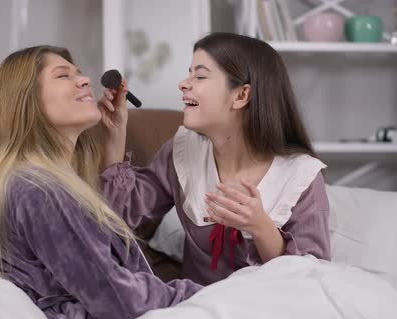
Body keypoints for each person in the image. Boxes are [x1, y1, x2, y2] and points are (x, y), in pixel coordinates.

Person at [0, 45, 201, 319]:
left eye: (79, 73)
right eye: (63, 76)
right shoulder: (40, 192)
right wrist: (202, 295)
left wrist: (114, 138)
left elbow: (102, 250)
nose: (85, 80)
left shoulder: (49, 185)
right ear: (26, 100)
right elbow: (117, 297)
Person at [100, 32, 331, 286]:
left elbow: (312, 282)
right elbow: (118, 214)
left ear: (242, 95)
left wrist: (260, 227)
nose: (183, 84)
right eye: (189, 73)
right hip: (197, 310)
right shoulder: (183, 151)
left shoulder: (301, 177)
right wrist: (115, 134)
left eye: (199, 76)